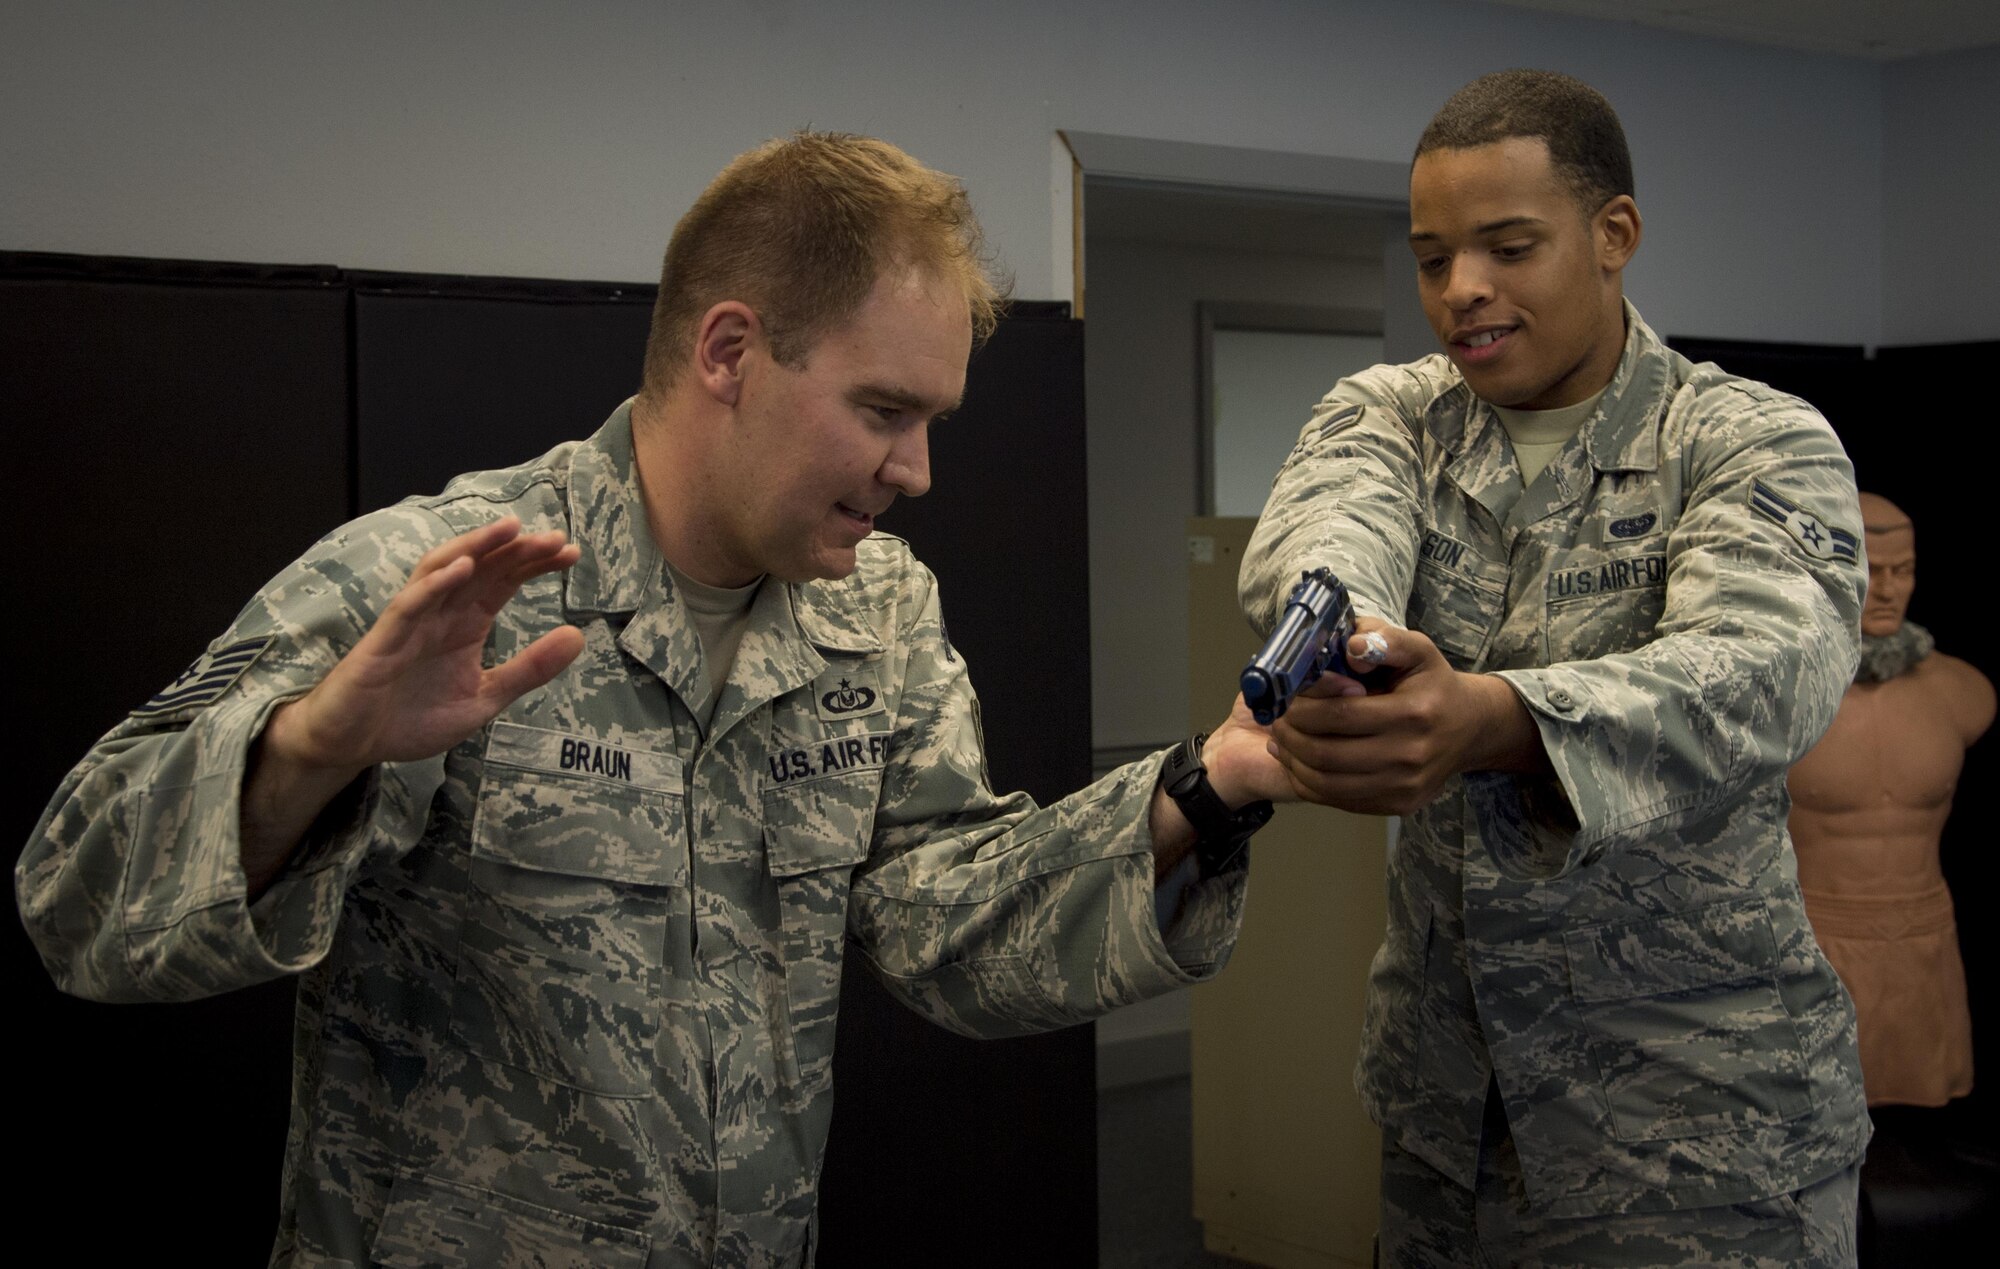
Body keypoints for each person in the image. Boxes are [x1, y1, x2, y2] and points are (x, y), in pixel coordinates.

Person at [16, 132, 1288, 1268]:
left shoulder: (877, 611)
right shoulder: (441, 578)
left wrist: (1202, 789)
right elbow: (71, 904)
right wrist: (308, 751)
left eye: (932, 419)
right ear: (729, 351)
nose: (917, 470)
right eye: (884, 411)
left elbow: (940, 925)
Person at [1239, 71, 1869, 1266]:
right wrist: (1352, 639)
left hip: (1696, 1132)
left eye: (1506, 247)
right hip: (1447, 1114)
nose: (1459, 291)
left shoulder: (1744, 439)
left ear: (1612, 235)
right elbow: (1328, 533)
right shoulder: (1392, 416)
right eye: (1431, 259)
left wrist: (1490, 716)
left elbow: (1764, 666)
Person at [1788, 492, 1994, 1108]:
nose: (1887, 590)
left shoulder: (1962, 692)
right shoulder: (1786, 696)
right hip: (1814, 941)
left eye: (1903, 571)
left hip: (1925, 944)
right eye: (1872, 570)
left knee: (1923, 1135)